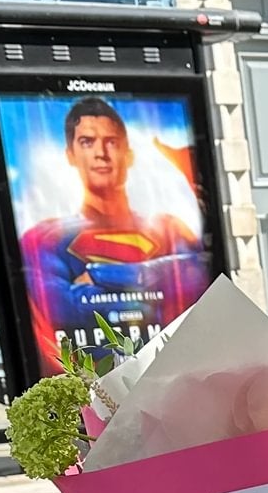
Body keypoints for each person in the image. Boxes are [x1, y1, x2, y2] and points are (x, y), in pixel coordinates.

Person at [18, 96, 210, 373]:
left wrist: (100, 277)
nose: (101, 153)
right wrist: (157, 285)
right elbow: (62, 312)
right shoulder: (42, 240)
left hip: (176, 375)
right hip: (96, 385)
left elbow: (200, 284)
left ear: (128, 154)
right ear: (70, 155)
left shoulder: (170, 229)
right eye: (87, 142)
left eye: (111, 142)